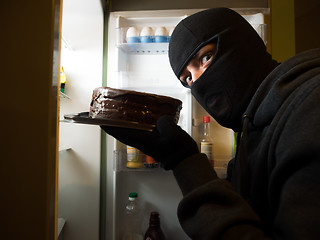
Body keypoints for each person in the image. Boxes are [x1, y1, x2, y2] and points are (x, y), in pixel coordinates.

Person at [101, 8, 320, 239]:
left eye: (205, 57)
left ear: (243, 43)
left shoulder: (311, 104)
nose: (198, 83)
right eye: (188, 78)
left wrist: (184, 161)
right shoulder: (252, 128)